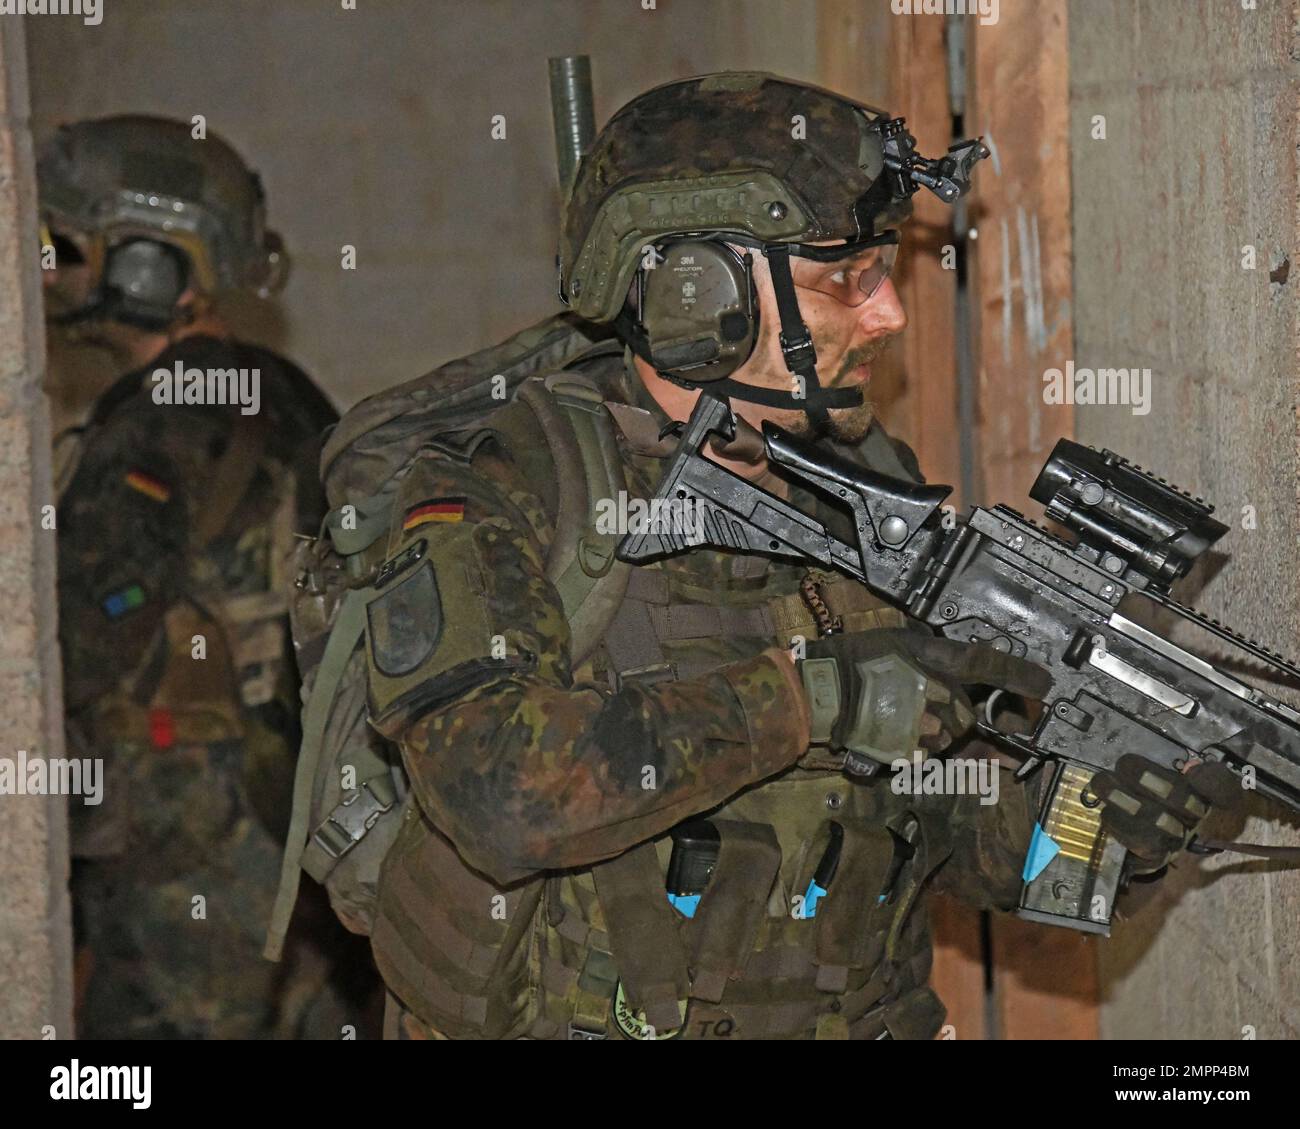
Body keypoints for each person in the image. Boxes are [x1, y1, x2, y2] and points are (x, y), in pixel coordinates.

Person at [317, 73, 1231, 1040]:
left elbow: (957, 835)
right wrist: (818, 697)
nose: (888, 314)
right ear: (699, 295)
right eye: (846, 278)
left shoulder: (867, 491)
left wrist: (1105, 819)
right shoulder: (514, 490)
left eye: (883, 272)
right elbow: (503, 797)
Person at [40, 115, 375, 1039]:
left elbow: (75, 645)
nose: (50, 270)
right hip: (306, 834)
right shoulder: (287, 391)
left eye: (69, 247)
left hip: (186, 846)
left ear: (152, 265)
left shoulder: (152, 426)